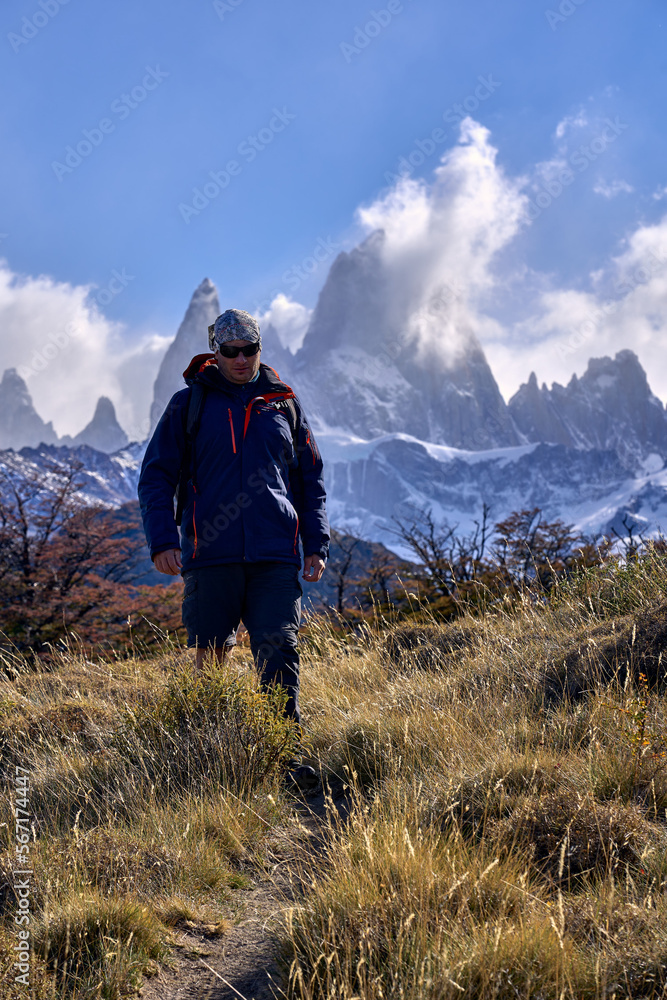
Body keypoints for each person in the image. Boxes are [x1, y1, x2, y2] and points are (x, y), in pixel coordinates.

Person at [138, 308, 329, 791]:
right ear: (215, 351)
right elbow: (156, 476)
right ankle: (208, 763)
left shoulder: (283, 403)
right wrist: (163, 539)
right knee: (209, 656)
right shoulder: (189, 405)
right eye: (231, 351)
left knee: (279, 650)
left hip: (274, 555)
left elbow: (310, 479)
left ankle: (285, 761)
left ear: (259, 348)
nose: (242, 359)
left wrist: (316, 543)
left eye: (250, 350)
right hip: (211, 552)